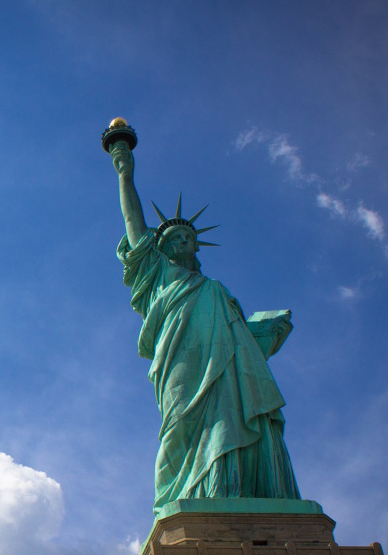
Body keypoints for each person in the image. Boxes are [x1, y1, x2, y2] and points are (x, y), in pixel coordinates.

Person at [109, 139, 301, 520]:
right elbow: (133, 222)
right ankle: (178, 498)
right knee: (178, 427)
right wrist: (125, 173)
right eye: (172, 239)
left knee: (232, 416)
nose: (182, 241)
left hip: (230, 369)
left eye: (188, 238)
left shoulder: (214, 289)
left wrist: (265, 332)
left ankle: (230, 488)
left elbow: (240, 339)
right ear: (159, 249)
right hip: (181, 363)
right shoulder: (158, 277)